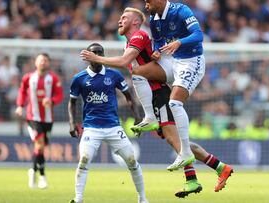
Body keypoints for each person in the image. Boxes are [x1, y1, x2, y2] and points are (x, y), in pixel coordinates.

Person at [80, 7, 232, 195]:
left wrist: (97, 58)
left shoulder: (139, 36)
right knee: (176, 141)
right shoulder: (128, 44)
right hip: (153, 96)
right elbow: (147, 57)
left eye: (124, 17)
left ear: (136, 21)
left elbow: (125, 62)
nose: (119, 20)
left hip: (159, 93)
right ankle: (219, 168)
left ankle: (194, 179)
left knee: (174, 139)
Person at [69, 43, 149, 203]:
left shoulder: (114, 75)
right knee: (84, 159)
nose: (97, 55)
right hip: (91, 128)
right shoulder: (79, 78)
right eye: (94, 52)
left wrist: (138, 117)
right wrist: (72, 123)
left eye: (100, 52)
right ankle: (78, 199)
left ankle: (142, 198)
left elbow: (129, 96)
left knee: (132, 161)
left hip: (113, 127)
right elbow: (72, 102)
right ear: (88, 56)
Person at [15, 53, 63, 189]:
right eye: (40, 60)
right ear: (35, 62)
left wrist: (52, 101)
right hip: (33, 118)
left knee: (40, 148)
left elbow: (59, 95)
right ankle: (42, 177)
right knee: (40, 144)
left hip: (48, 119)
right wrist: (20, 106)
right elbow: (22, 92)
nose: (43, 62)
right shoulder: (28, 78)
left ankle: (33, 171)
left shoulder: (53, 78)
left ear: (48, 63)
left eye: (45, 60)